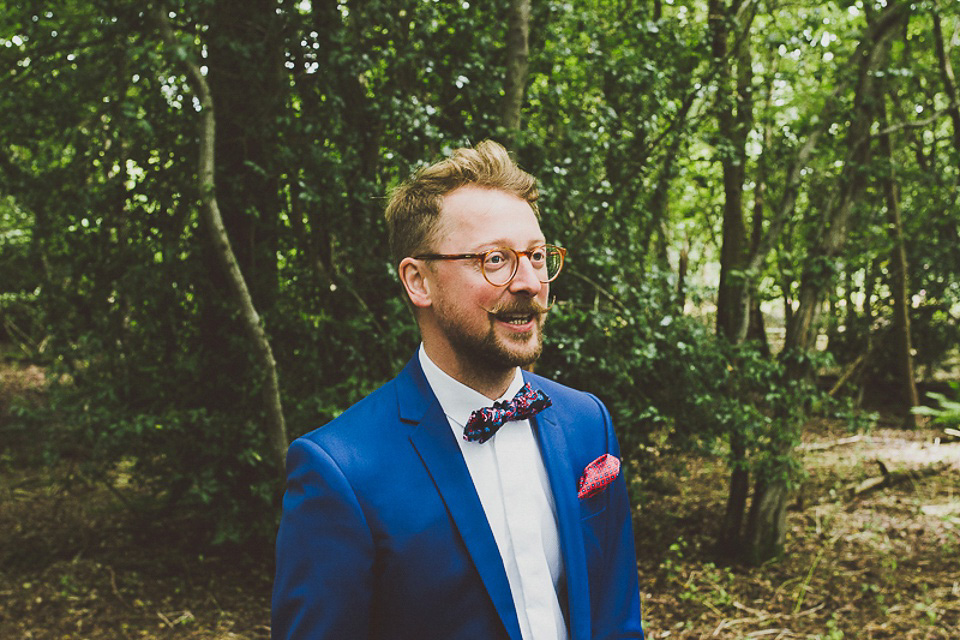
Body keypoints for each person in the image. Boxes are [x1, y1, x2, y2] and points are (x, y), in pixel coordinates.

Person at [271, 140, 644, 639]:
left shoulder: (587, 421)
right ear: (418, 281)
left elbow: (616, 619)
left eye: (536, 255)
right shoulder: (340, 471)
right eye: (495, 259)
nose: (530, 282)